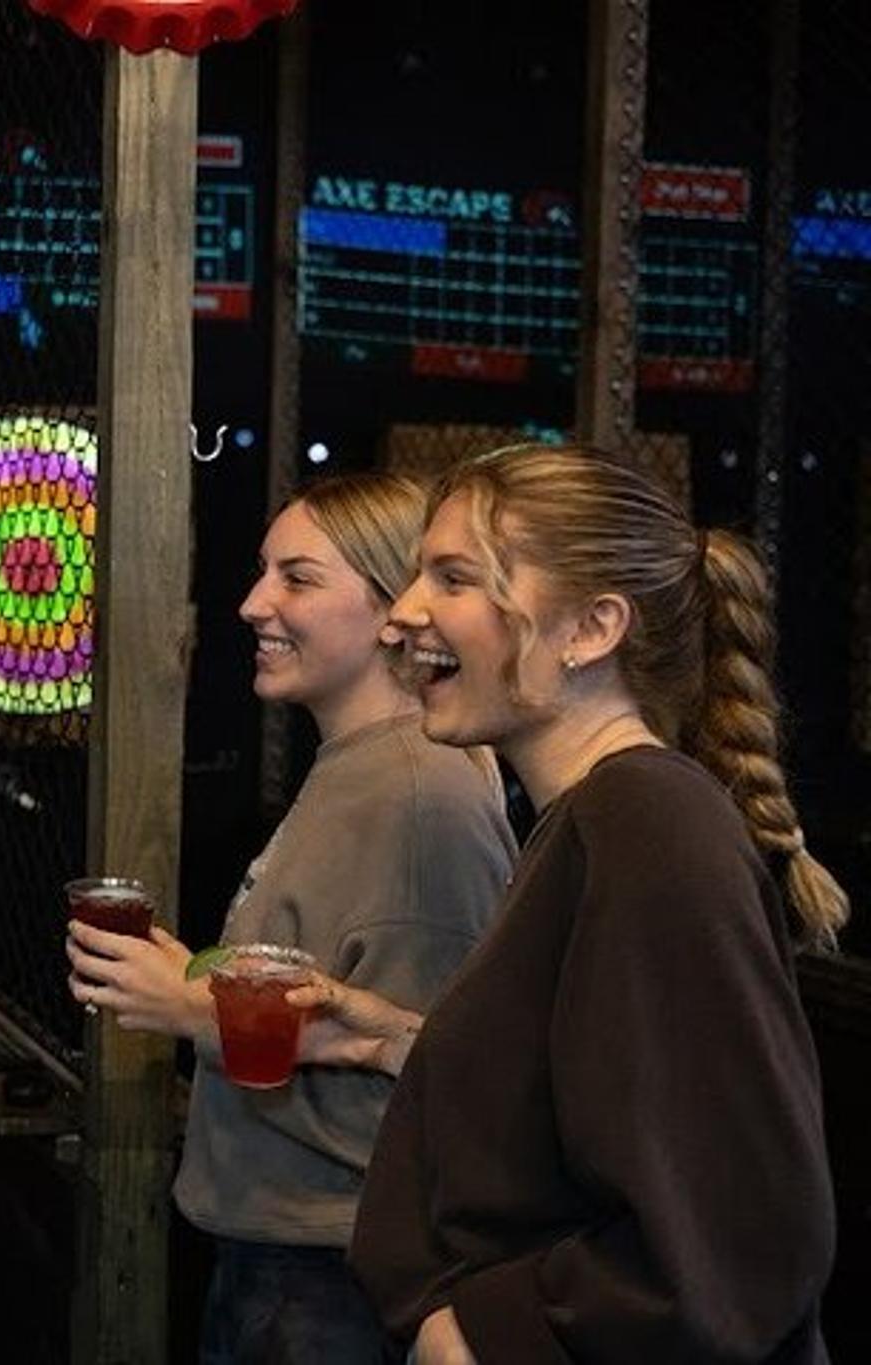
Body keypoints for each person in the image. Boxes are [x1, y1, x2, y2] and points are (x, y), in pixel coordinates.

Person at [301, 444, 841, 1363]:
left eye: (456, 577)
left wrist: (495, 1331)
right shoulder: (590, 822)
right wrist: (394, 1037)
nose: (403, 613)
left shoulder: (647, 820)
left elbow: (745, 1234)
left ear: (591, 628)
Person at [65, 473, 515, 1365]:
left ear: (397, 608)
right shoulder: (363, 765)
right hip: (289, 1264)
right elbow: (334, 988)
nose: (252, 603)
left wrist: (199, 1011)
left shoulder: (423, 794)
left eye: (298, 579)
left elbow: (442, 1075)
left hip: (338, 1281)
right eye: (263, 571)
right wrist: (194, 980)